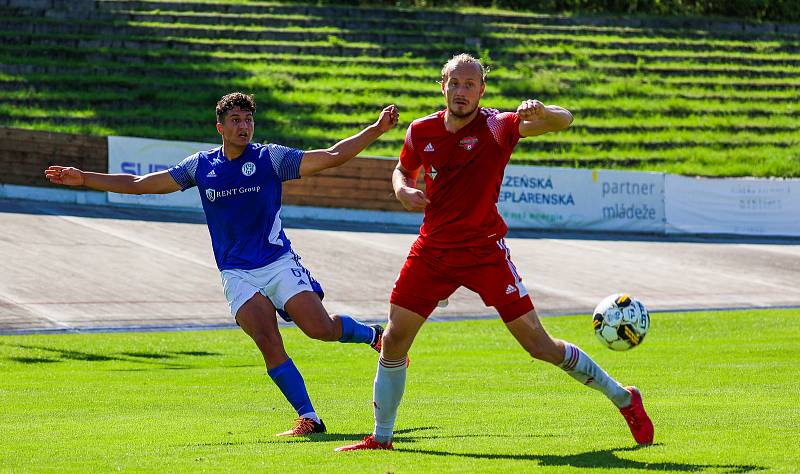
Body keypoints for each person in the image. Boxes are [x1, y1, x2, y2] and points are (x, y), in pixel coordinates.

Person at [336, 54, 653, 452]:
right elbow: (403, 169)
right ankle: (381, 439)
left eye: (470, 85)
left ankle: (625, 398)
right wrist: (402, 189)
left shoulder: (499, 126)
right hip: (432, 251)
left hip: (485, 252)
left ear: (481, 90)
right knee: (395, 339)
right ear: (443, 86)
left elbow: (565, 118)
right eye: (455, 83)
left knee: (540, 346)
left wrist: (543, 111)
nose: (461, 91)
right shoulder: (421, 130)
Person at [45, 92, 400, 437]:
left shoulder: (270, 159)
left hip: (277, 262)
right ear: (220, 127)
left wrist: (376, 128)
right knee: (268, 340)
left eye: (248, 119)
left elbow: (333, 155)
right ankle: (309, 418)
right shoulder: (200, 166)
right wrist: (86, 178)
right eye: (236, 120)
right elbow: (141, 184)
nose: (244, 126)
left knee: (318, 328)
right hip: (236, 272)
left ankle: (373, 335)